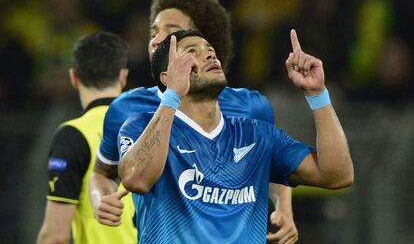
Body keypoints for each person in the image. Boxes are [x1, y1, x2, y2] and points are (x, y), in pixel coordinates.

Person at [90, 0, 297, 243]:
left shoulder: (251, 107)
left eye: (172, 32)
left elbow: (273, 164)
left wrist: (284, 208)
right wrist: (100, 199)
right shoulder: (127, 108)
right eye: (153, 33)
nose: (157, 40)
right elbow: (102, 173)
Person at [117, 29, 353, 243]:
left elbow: (337, 175)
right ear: (166, 76)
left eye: (211, 51)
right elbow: (136, 179)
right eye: (192, 52)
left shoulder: (257, 135)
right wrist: (172, 96)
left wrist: (318, 94)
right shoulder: (140, 127)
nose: (210, 56)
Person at [36, 31, 137, 244]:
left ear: (74, 77)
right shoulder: (154, 128)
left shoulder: (72, 136)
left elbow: (55, 236)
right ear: (123, 76)